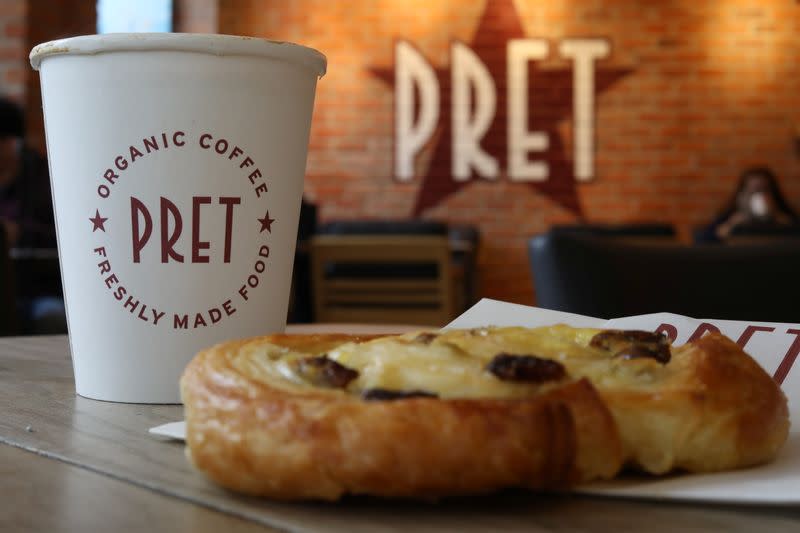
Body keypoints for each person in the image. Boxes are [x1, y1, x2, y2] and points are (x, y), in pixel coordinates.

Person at [0, 97, 64, 333]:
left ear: (13, 141)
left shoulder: (44, 179)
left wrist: (19, 233)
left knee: (52, 316)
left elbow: (65, 235)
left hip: (41, 290)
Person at [696, 167, 800, 243]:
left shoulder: (784, 216)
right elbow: (702, 240)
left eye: (763, 190)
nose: (758, 196)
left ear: (773, 193)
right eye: (752, 191)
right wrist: (731, 225)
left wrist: (781, 220)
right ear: (742, 194)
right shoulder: (731, 216)